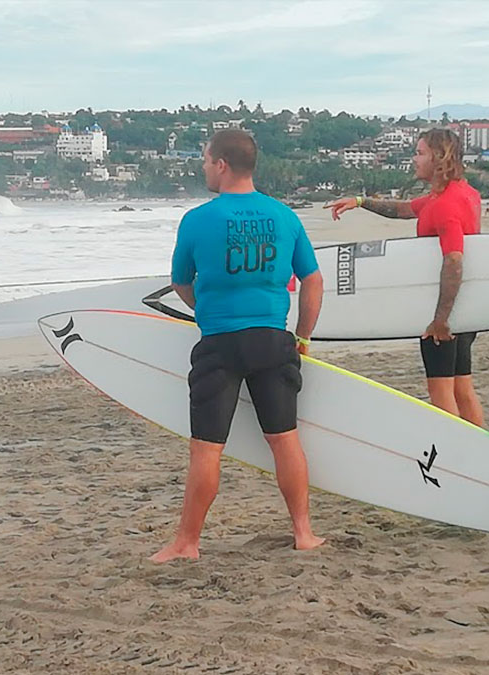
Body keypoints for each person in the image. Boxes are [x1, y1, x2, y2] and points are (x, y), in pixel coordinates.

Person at [152, 129, 326, 563]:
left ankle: (188, 543)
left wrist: (208, 312)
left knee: (207, 448)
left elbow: (180, 282)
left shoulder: (197, 220)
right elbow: (313, 279)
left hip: (220, 344)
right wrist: (303, 335)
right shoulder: (285, 216)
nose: (204, 167)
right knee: (285, 440)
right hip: (272, 339)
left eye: (207, 160)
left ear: (222, 164)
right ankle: (303, 533)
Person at [325, 128, 484, 426]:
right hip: (466, 310)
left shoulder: (445, 204)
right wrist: (360, 202)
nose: (414, 159)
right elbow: (404, 210)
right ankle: (485, 455)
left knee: (441, 393)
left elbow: (454, 260)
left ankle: (457, 457)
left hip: (444, 312)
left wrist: (439, 320)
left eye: (419, 152)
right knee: (463, 388)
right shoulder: (462, 193)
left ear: (438, 158)